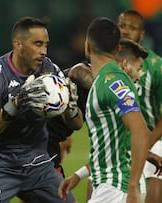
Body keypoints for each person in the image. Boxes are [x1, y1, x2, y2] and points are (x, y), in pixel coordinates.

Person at [0, 16, 83, 203]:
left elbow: (77, 124)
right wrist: (15, 105)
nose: (43, 52)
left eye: (46, 45)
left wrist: (69, 107)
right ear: (18, 44)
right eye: (37, 44)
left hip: (37, 165)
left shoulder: (49, 71)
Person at [58, 17, 153, 203]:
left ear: (87, 46)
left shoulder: (113, 82)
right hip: (110, 186)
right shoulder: (102, 80)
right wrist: (78, 176)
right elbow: (112, 145)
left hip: (118, 189)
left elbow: (140, 131)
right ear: (117, 49)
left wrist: (132, 187)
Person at [117, 9, 162, 203]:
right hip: (117, 139)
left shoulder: (157, 66)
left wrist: (148, 143)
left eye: (133, 28)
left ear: (142, 34)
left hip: (152, 137)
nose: (126, 31)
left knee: (153, 198)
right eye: (122, 26)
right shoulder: (106, 62)